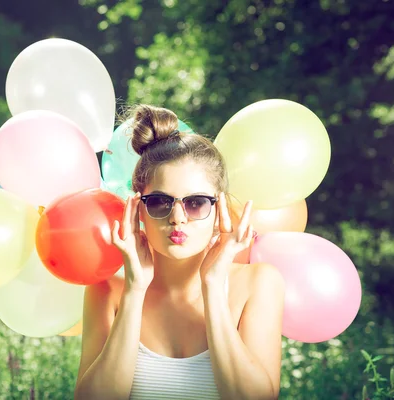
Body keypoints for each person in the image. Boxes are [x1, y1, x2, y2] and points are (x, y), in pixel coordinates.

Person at [74, 105, 285, 400]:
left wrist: (212, 285)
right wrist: (134, 291)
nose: (177, 218)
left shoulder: (258, 283)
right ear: (137, 209)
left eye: (196, 202)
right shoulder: (107, 289)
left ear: (219, 208)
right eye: (160, 201)